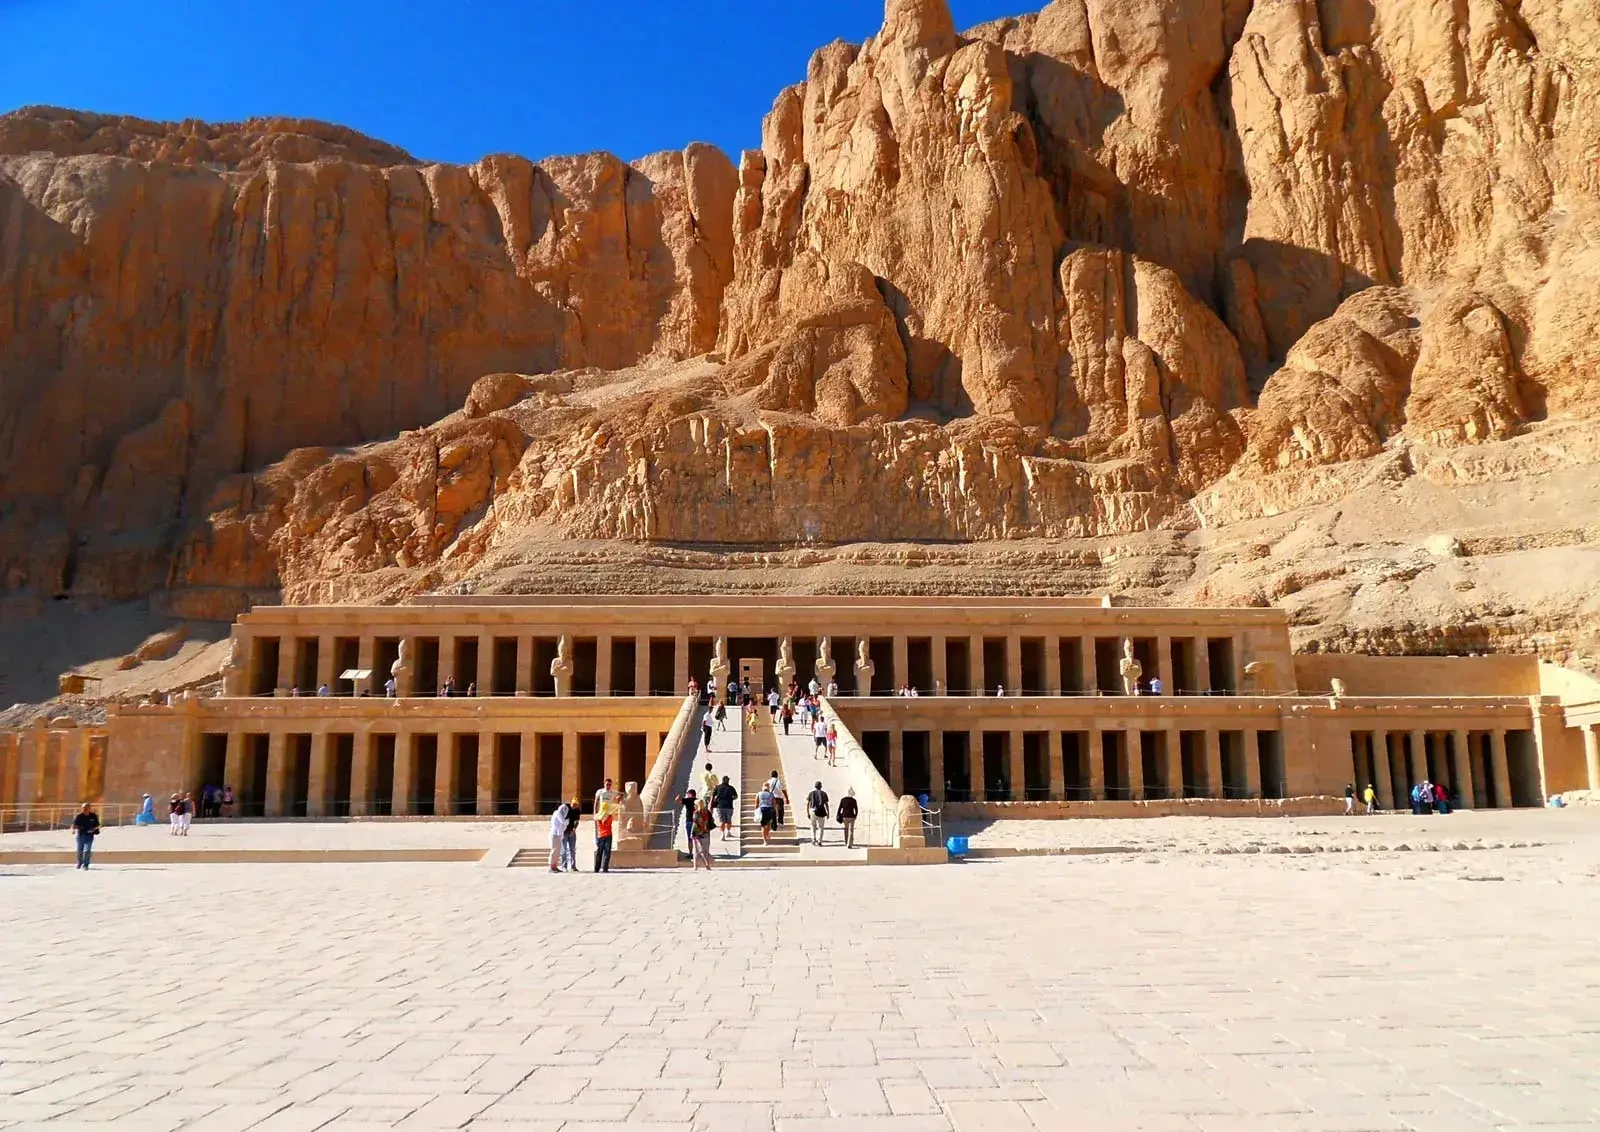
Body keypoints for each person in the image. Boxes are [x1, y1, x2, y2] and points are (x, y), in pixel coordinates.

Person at [72, 802, 100, 869]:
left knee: (87, 850)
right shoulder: (79, 816)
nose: (85, 809)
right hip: (81, 835)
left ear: (89, 808)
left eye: (86, 808)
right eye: (83, 808)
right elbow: (74, 825)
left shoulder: (93, 816)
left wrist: (93, 829)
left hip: (89, 836)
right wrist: (73, 830)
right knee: (79, 850)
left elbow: (98, 825)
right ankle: (79, 863)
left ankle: (86, 865)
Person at [689, 800, 715, 870]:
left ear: (697, 805)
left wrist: (691, 833)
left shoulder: (696, 813)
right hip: (706, 832)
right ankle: (707, 866)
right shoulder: (707, 812)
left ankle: (695, 866)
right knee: (705, 851)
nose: (694, 806)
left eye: (695, 804)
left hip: (697, 833)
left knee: (696, 850)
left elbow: (695, 824)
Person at [593, 801, 615, 873]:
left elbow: (595, 816)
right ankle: (605, 868)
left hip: (600, 835)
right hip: (608, 834)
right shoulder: (609, 817)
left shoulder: (598, 817)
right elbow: (610, 822)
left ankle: (597, 868)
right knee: (607, 853)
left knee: (599, 852)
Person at [548, 800, 569, 872]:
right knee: (554, 851)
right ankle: (551, 867)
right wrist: (567, 822)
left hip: (559, 835)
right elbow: (563, 822)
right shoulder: (557, 813)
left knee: (557, 852)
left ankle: (555, 866)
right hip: (555, 834)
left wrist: (566, 823)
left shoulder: (561, 815)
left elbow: (564, 825)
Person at [807, 781, 829, 846]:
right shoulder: (824, 793)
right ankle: (820, 840)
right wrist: (828, 812)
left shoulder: (811, 793)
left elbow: (808, 803)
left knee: (813, 826)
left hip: (813, 810)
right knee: (821, 827)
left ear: (815, 786)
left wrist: (808, 812)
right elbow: (826, 804)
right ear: (821, 786)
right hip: (821, 811)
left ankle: (813, 839)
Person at [562, 796, 581, 871]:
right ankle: (564, 866)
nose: (574, 805)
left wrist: (574, 829)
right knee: (564, 850)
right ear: (571, 803)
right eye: (573, 804)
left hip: (572, 831)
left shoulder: (577, 810)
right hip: (564, 831)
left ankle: (573, 866)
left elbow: (577, 821)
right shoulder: (566, 808)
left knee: (572, 850)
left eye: (576, 804)